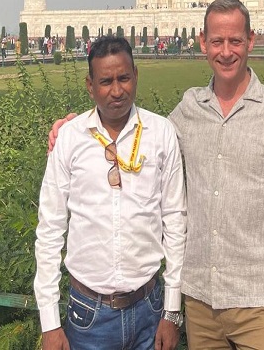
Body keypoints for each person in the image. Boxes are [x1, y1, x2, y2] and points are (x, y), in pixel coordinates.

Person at [49, 0, 264, 350]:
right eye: (217, 41)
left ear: (250, 40)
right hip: (201, 303)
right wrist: (74, 128)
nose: (226, 51)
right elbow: (135, 128)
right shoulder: (189, 109)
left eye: (235, 41)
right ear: (203, 43)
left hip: (260, 301)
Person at [35, 36, 186, 350]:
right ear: (90, 86)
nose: (117, 91)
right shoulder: (70, 138)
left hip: (150, 309)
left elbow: (175, 222)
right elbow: (50, 230)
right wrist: (50, 324)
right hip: (89, 315)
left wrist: (172, 311)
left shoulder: (160, 133)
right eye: (106, 82)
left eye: (124, 78)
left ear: (136, 76)